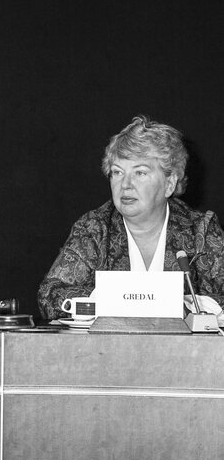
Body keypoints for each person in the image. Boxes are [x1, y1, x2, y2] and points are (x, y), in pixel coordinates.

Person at [38, 116, 224, 320]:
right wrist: (109, 300)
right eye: (117, 172)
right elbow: (49, 296)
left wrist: (188, 304)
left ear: (169, 184)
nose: (125, 184)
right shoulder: (95, 228)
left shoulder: (201, 230)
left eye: (140, 173)